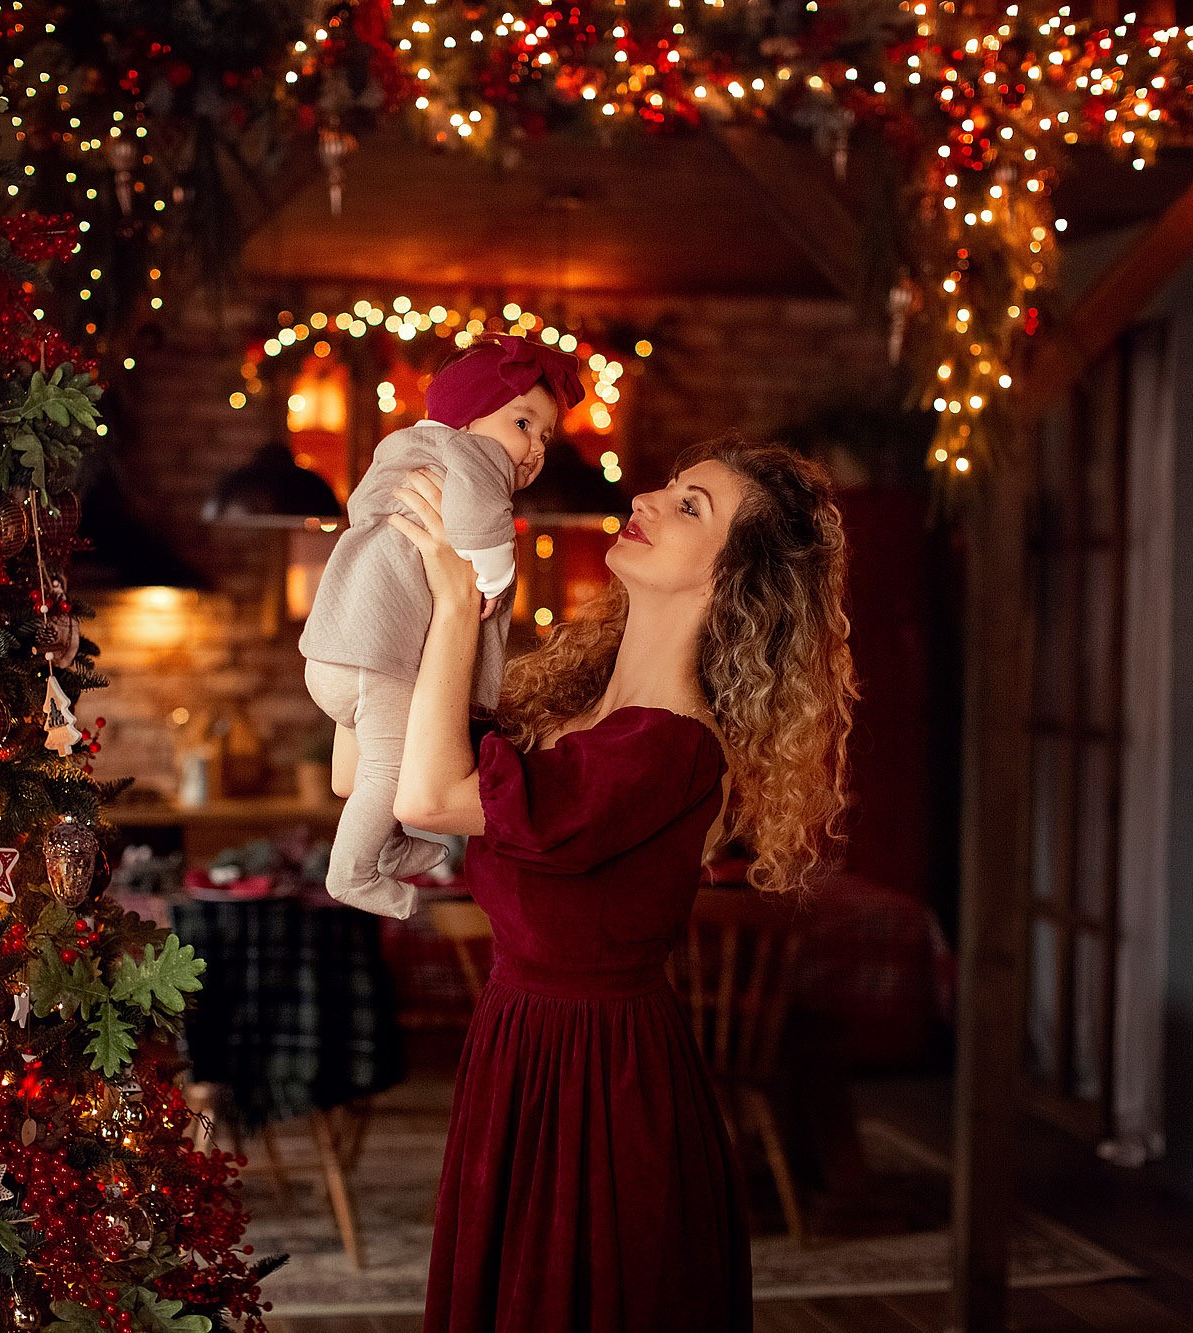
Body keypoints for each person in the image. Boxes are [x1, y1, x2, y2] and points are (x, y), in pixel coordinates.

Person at [387, 434, 858, 1332]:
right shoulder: (569, 711)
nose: (648, 497)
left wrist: (456, 603)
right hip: (520, 1054)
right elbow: (373, 771)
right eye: (670, 487)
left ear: (732, 580)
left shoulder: (667, 744)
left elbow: (427, 796)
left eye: (692, 507)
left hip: (600, 1086)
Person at [299, 334, 585, 920]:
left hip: (348, 654)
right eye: (523, 424)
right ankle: (351, 876)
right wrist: (495, 575)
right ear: (469, 418)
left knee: (389, 766)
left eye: (545, 436)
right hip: (371, 658)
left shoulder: (412, 456)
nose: (534, 448)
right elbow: (484, 530)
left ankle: (392, 843)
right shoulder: (470, 459)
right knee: (385, 767)